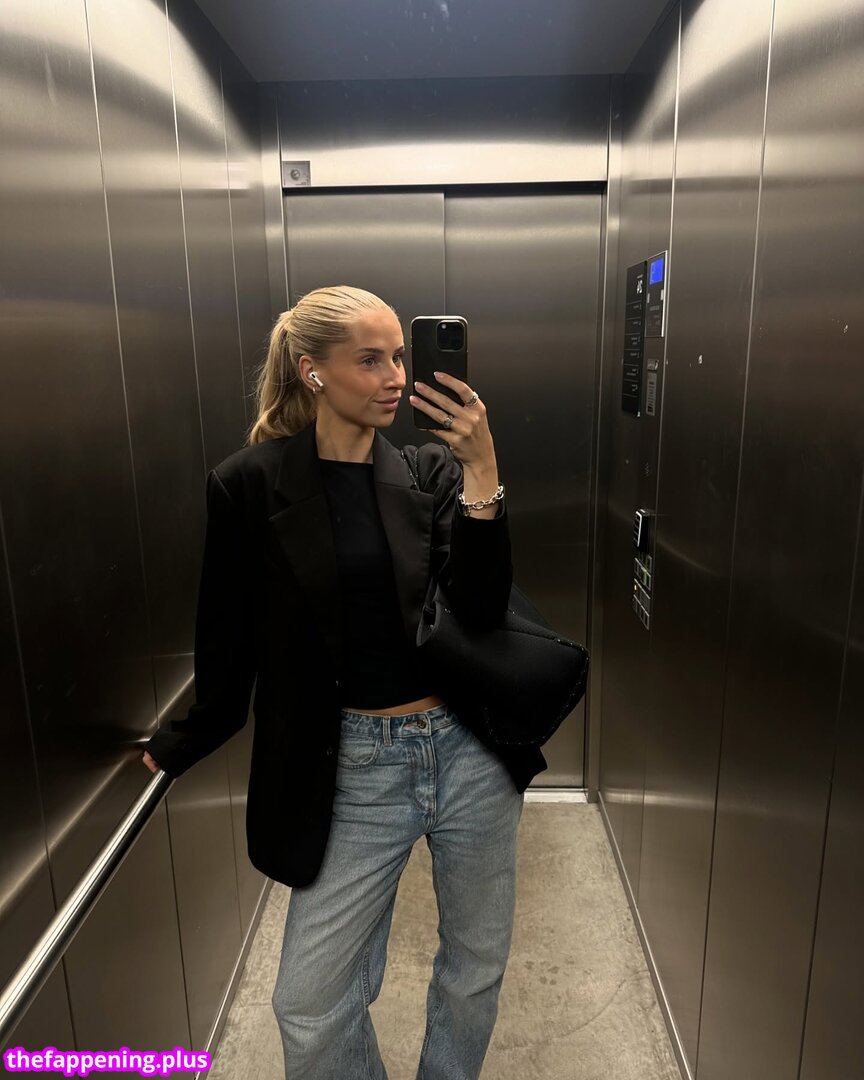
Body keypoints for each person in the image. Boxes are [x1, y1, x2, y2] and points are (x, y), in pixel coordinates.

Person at [142, 285, 547, 1079]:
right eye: (370, 359)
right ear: (312, 371)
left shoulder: (429, 469)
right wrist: (185, 738)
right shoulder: (249, 485)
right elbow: (228, 636)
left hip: (467, 752)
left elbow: (479, 610)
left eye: (398, 356)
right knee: (310, 1001)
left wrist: (482, 471)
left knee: (473, 967)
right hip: (355, 765)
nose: (395, 376)